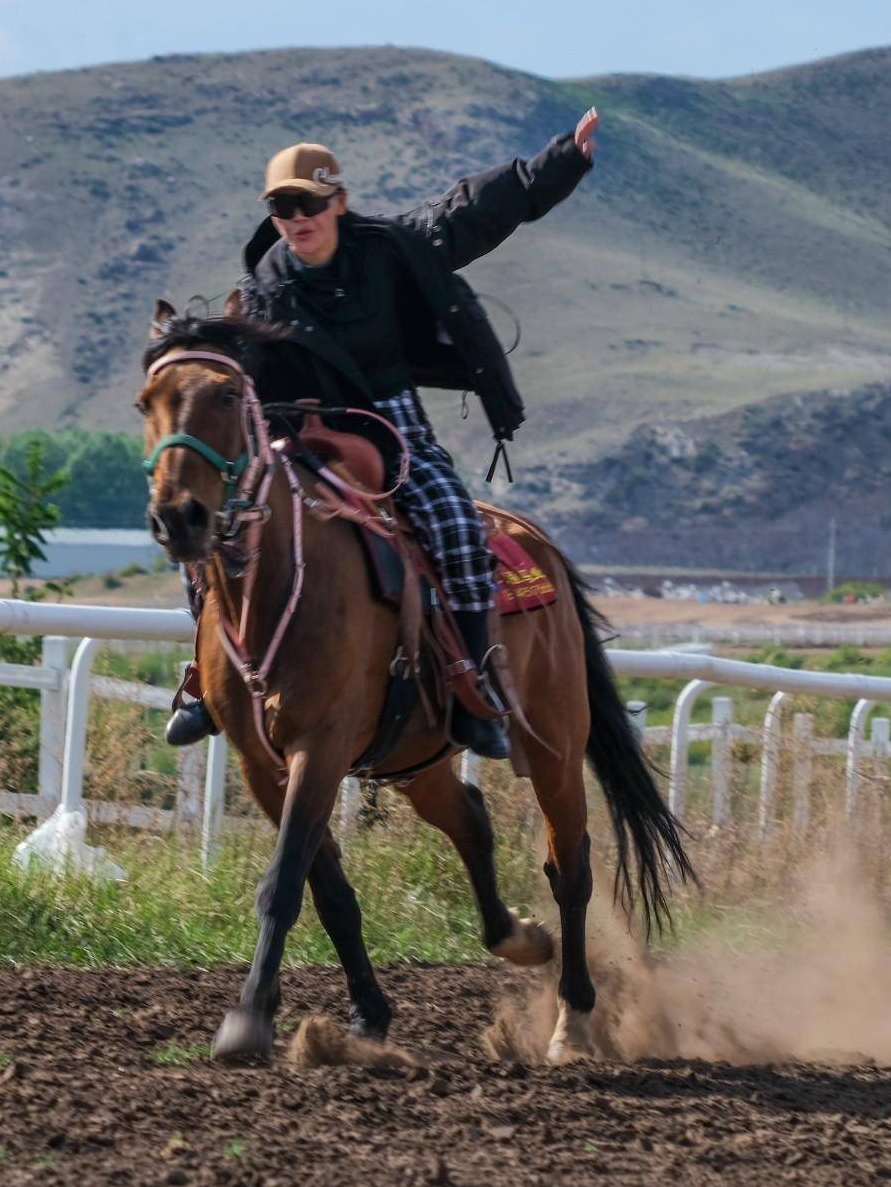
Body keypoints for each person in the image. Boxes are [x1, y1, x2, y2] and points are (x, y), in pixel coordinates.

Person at [167, 108, 601, 763]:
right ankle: (205, 679)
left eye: (308, 201)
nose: (296, 217)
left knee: (454, 523)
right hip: (300, 432)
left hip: (393, 427)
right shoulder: (263, 288)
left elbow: (470, 213)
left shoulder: (391, 247)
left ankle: (473, 688)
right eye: (282, 206)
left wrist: (561, 160)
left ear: (337, 201)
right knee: (208, 527)